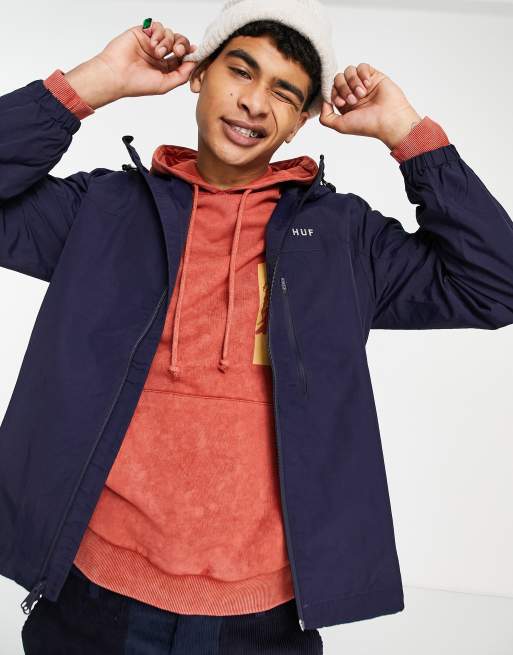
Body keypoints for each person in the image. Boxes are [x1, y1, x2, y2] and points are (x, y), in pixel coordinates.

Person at [1, 0, 513, 653]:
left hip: (261, 621)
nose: (253, 102)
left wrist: (406, 133)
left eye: (284, 92)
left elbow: (495, 283)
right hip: (92, 598)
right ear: (198, 74)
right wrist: (91, 83)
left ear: (301, 121)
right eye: (240, 71)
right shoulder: (100, 211)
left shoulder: (344, 239)